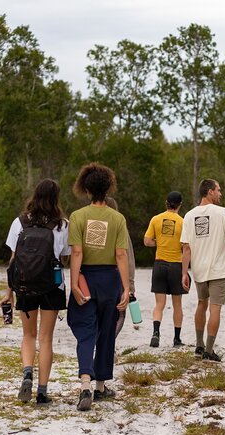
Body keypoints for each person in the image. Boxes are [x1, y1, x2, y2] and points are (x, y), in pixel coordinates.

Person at [1, 178, 70, 405]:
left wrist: (8, 292)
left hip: (25, 285)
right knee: (46, 338)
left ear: (35, 195)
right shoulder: (62, 225)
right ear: (56, 198)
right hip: (52, 286)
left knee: (28, 335)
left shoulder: (19, 222)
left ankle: (27, 372)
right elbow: (64, 258)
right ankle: (42, 391)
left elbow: (13, 261)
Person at [67, 163, 130, 411]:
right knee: (106, 333)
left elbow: (77, 252)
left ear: (86, 188)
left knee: (85, 331)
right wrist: (126, 288)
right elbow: (121, 255)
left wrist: (73, 284)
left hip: (85, 279)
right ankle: (101, 386)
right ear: (108, 188)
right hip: (110, 280)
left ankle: (85, 383)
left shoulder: (78, 216)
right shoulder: (118, 218)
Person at [181, 179, 225, 363]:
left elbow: (186, 248)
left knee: (201, 304)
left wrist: (183, 273)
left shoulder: (188, 216)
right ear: (210, 192)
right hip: (218, 270)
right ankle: (209, 351)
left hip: (198, 269)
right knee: (215, 308)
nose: (220, 194)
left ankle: (198, 346)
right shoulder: (222, 213)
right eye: (218, 190)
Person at [144, 191, 186, 348]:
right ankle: (176, 339)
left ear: (166, 203)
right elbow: (185, 246)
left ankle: (156, 333)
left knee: (159, 304)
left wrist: (160, 243)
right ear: (180, 205)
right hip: (176, 265)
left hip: (159, 264)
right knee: (177, 304)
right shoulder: (183, 222)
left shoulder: (156, 219)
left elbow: (147, 241)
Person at [106, 197, 135, 336]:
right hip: (118, 276)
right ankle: (109, 344)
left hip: (99, 276)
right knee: (120, 314)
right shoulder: (120, 226)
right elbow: (127, 257)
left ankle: (104, 343)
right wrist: (130, 284)